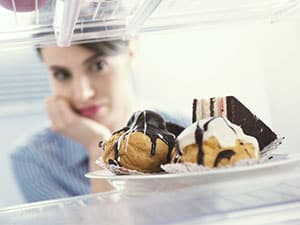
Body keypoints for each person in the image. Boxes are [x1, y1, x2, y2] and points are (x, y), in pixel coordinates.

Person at [10, 39, 189, 203]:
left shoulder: (189, 132)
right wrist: (99, 147)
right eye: (62, 75)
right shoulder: (33, 158)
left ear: (130, 52)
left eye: (98, 66)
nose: (83, 93)